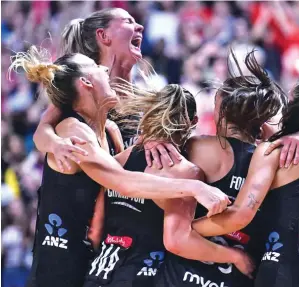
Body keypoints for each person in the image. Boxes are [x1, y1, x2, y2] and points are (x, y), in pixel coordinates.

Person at [9, 46, 229, 287]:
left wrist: (154, 136)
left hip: (94, 264)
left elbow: (124, 173)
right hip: (59, 266)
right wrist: (194, 187)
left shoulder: (110, 130)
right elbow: (122, 181)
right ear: (86, 83)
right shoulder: (73, 128)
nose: (104, 68)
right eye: (96, 67)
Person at [82, 81, 253, 287]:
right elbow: (177, 241)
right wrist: (235, 256)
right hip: (142, 276)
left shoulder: (117, 162)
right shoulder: (185, 171)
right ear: (193, 122)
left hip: (99, 272)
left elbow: (94, 231)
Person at [154, 51, 287, 287]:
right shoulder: (272, 161)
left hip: (183, 276)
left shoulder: (199, 147)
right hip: (237, 278)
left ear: (222, 112)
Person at [192, 75, 299, 287]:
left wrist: (188, 230)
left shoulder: (277, 152)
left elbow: (240, 216)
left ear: (298, 106)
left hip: (282, 274)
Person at [33, 8, 179, 171]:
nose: (140, 27)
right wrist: (56, 144)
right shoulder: (84, 90)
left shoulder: (148, 100)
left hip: (130, 189)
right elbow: (41, 132)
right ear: (103, 35)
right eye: (128, 21)